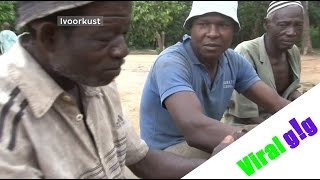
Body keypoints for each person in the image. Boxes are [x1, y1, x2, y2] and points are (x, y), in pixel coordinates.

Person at [0, 1, 234, 179]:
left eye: (123, 34)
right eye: (104, 38)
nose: (122, 50)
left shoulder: (93, 78)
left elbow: (143, 161)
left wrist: (220, 165)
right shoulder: (9, 120)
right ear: (50, 36)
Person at [139, 1, 291, 159]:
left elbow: (277, 103)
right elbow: (195, 129)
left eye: (223, 25)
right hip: (163, 152)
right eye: (203, 24)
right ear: (191, 29)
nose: (212, 33)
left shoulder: (233, 61)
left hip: (205, 141)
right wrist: (265, 141)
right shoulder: (172, 62)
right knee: (255, 159)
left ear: (234, 31)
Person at [223, 1, 304, 128]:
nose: (292, 32)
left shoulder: (293, 51)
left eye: (298, 25)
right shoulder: (246, 51)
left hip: (282, 119)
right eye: (284, 24)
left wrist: (295, 93)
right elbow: (247, 116)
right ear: (266, 24)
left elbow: (292, 90)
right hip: (246, 127)